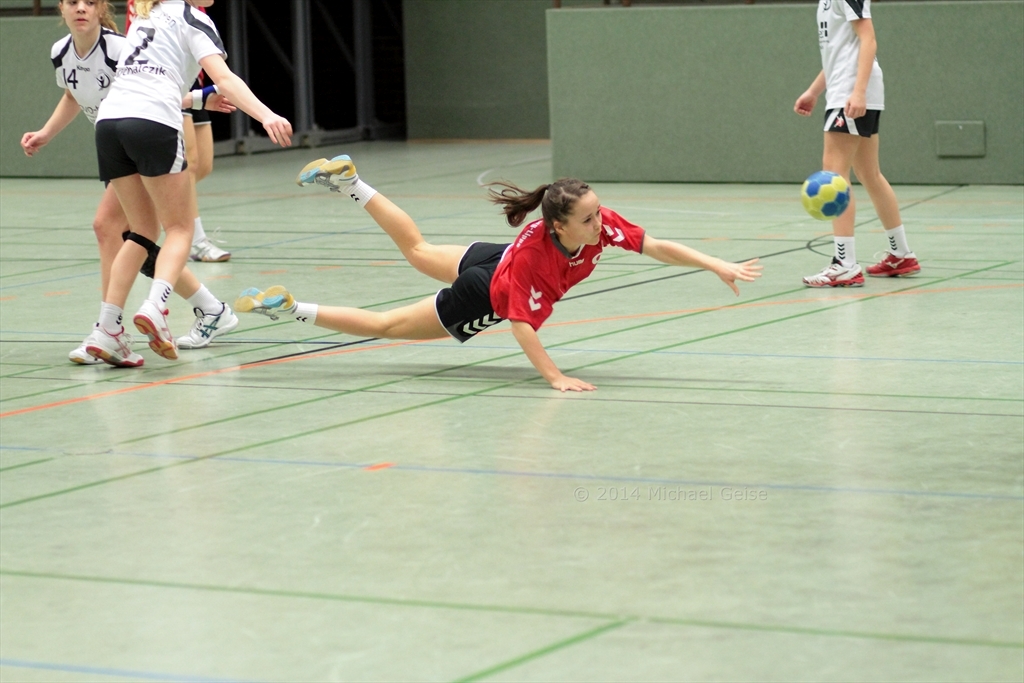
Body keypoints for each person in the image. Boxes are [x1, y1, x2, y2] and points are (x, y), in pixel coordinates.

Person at [235, 155, 762, 392]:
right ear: (559, 225)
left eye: (599, 212)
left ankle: (351, 182)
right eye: (589, 219)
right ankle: (291, 308)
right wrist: (555, 378)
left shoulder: (592, 226)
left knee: (417, 249)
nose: (601, 224)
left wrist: (714, 262)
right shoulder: (538, 260)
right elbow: (522, 326)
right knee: (385, 325)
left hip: (495, 256)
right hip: (486, 289)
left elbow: (656, 246)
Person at [19, 0, 238, 366]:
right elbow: (72, 95)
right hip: (118, 141)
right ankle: (208, 308)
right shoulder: (61, 53)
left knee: (117, 228)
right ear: (61, 9)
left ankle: (110, 328)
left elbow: (158, 85)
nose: (81, 9)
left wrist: (200, 99)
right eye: (73, 2)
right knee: (132, 233)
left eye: (89, 2)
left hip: (142, 133)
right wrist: (46, 133)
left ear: (101, 9)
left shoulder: (122, 46)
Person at [87, 0, 291, 366]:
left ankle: (108, 329)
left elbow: (153, 79)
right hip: (153, 122)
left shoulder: (145, 16)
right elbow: (224, 79)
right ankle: (154, 306)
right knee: (180, 228)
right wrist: (266, 115)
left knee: (140, 232)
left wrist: (197, 99)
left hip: (110, 123)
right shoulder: (193, 19)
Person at [794, 0, 920, 288]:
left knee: (835, 176)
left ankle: (845, 264)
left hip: (850, 92)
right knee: (868, 173)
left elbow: (868, 39)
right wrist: (814, 91)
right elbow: (839, 54)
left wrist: (858, 92)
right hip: (845, 89)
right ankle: (901, 254)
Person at [125, 0, 229, 262]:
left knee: (203, 164)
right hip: (164, 84)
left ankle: (146, 209)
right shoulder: (150, 6)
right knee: (188, 163)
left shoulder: (195, 10)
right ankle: (195, 240)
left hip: (194, 82)